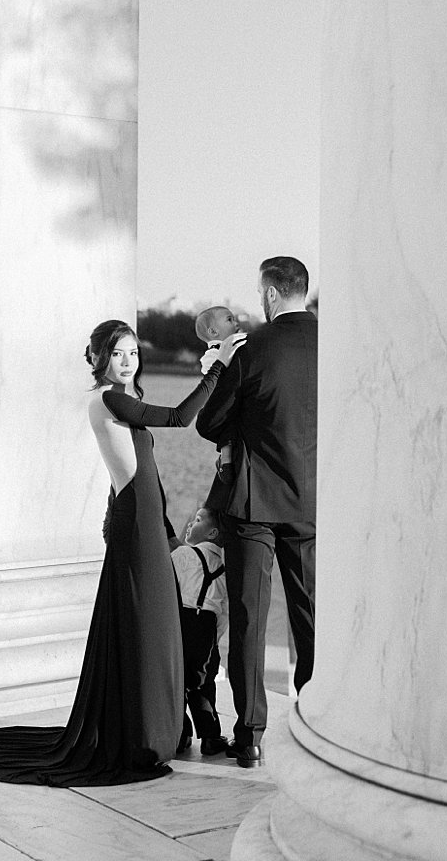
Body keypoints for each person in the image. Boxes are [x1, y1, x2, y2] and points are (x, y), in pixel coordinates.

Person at [0, 319, 239, 787]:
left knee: (151, 622)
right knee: (148, 620)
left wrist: (133, 518)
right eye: (118, 354)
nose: (128, 361)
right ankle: (146, 735)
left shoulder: (118, 401)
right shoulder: (109, 398)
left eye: (133, 352)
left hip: (144, 523)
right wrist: (215, 370)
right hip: (139, 528)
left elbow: (127, 470)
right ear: (99, 359)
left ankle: (154, 730)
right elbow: (178, 418)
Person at [196, 257, 317, 768]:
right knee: (311, 612)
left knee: (248, 617)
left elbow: (208, 421)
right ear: (302, 292)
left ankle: (250, 737)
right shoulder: (341, 343)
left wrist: (235, 432)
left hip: (250, 502)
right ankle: (317, 717)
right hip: (312, 500)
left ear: (269, 294)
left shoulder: (251, 349)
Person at [171, 506, 228, 756]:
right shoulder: (225, 569)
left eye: (197, 520)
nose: (190, 525)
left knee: (176, 681)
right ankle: (210, 737)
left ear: (213, 532)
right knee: (202, 684)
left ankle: (180, 735)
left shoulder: (183, 555)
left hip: (180, 621)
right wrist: (214, 637)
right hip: (207, 627)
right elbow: (224, 612)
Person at [194, 306, 245, 516]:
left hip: (223, 402)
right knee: (228, 431)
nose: (236, 322)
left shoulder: (224, 346)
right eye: (229, 319)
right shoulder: (219, 349)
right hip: (222, 400)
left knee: (228, 434)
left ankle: (226, 461)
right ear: (214, 332)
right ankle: (225, 461)